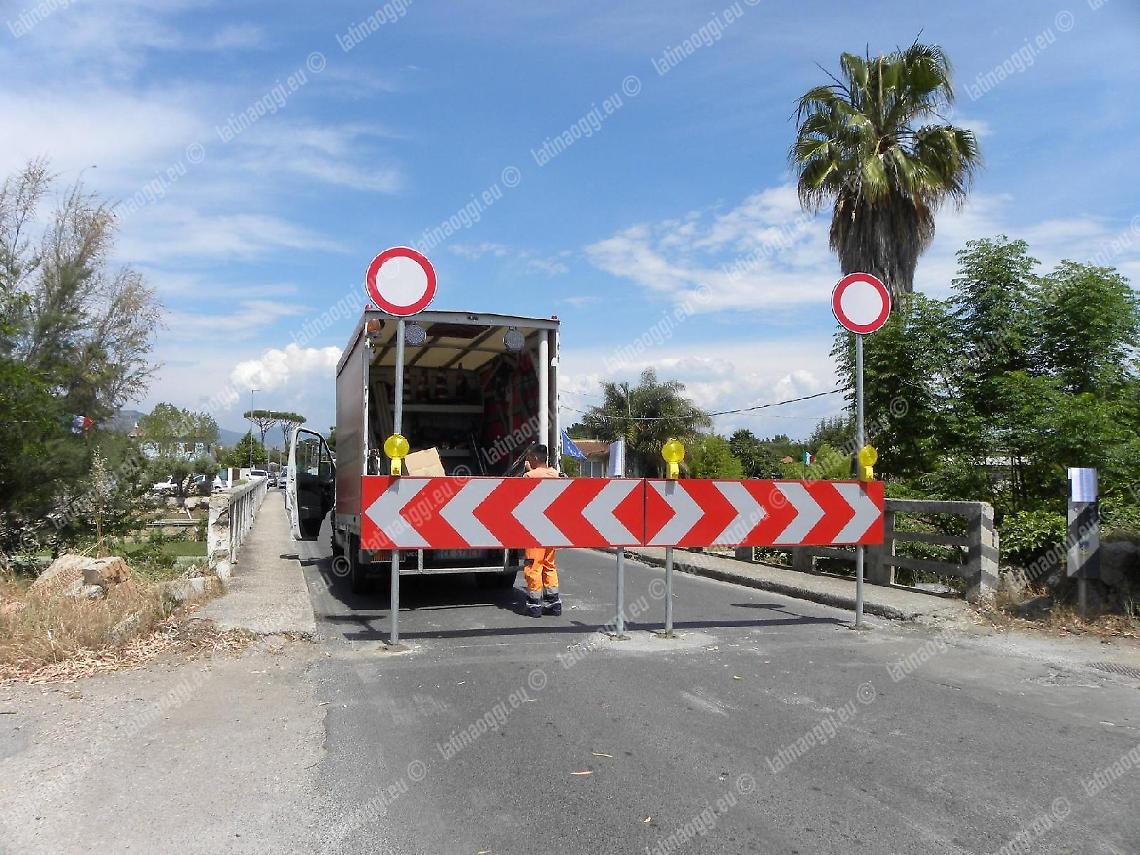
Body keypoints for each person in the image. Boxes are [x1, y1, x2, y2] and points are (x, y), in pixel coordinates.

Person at [522, 444, 560, 618]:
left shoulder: (529, 476)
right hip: (551, 526)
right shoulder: (555, 475)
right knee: (549, 564)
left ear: (535, 459)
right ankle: (553, 602)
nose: (527, 461)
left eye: (529, 458)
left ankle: (534, 604)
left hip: (534, 527)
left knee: (533, 565)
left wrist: (528, 471)